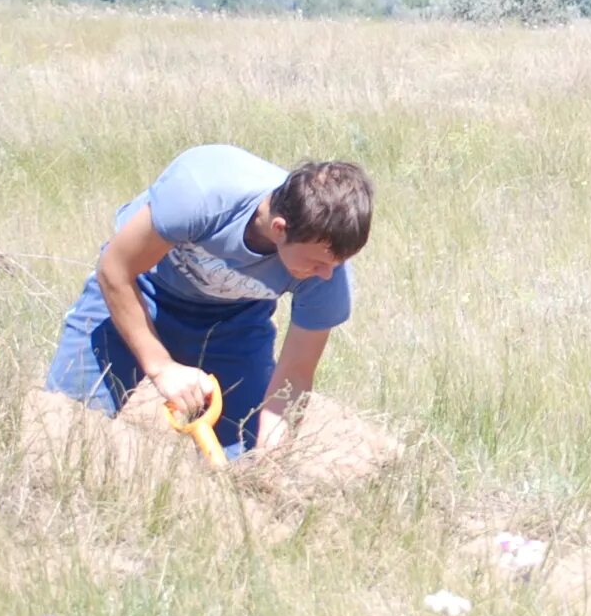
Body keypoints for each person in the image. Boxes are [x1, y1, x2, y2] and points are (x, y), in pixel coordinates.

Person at [43, 147, 372, 456]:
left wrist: (270, 458)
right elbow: (114, 269)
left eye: (336, 263)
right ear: (279, 228)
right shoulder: (201, 195)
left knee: (244, 455)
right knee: (63, 431)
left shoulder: (329, 273)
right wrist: (161, 367)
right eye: (317, 263)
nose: (327, 274)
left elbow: (295, 374)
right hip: (143, 289)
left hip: (235, 324)